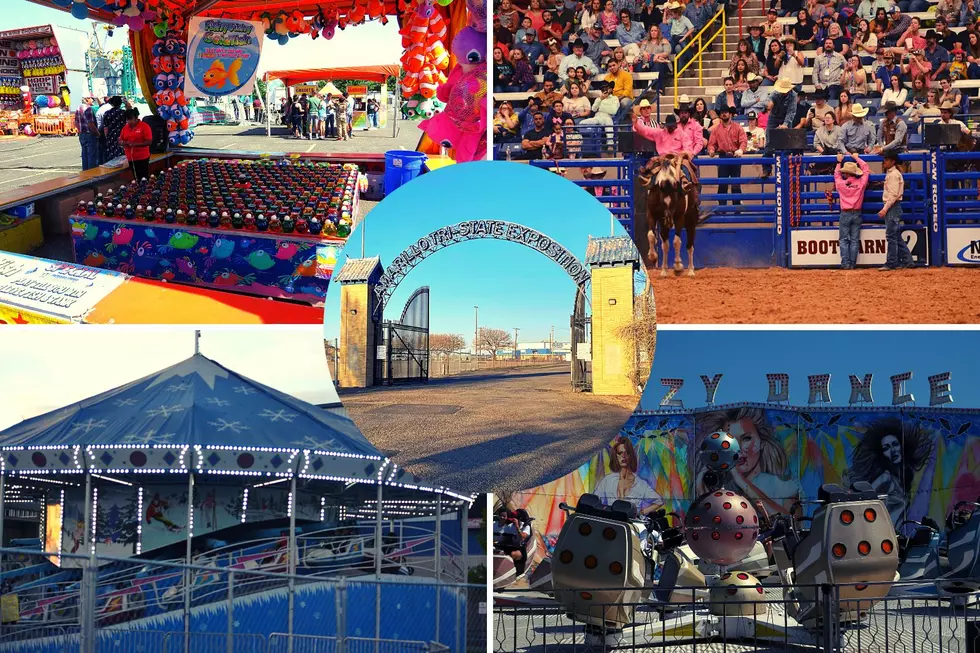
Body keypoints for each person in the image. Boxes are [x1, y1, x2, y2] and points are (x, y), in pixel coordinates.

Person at [696, 407, 800, 514]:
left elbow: (789, 522)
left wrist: (741, 480)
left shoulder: (782, 485)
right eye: (730, 442)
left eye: (746, 438)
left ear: (761, 442)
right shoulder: (721, 487)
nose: (738, 448)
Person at [846, 418, 933, 525]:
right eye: (886, 448)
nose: (892, 450)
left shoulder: (903, 479)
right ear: (882, 454)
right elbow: (864, 500)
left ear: (902, 446)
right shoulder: (885, 477)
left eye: (895, 444)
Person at [594, 436, 664, 514]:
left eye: (627, 452)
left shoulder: (641, 484)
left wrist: (640, 513)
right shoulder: (607, 480)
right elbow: (595, 501)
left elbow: (659, 501)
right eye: (620, 453)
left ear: (631, 455)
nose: (623, 456)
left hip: (629, 524)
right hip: (611, 523)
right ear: (616, 456)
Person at [834, 151, 871, 269]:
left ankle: (845, 264)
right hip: (857, 212)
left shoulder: (840, 184)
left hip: (845, 213)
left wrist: (839, 162)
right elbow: (866, 169)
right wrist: (857, 158)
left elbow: (836, 175)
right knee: (854, 240)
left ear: (845, 173)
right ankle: (853, 264)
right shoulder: (861, 183)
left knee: (844, 239)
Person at [879, 151, 915, 270]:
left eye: (887, 160)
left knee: (891, 236)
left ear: (892, 161)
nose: (885, 162)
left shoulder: (893, 175)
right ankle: (907, 260)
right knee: (895, 236)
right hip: (894, 207)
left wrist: (884, 209)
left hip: (892, 207)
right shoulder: (894, 173)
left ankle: (892, 262)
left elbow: (893, 195)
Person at [707, 105, 747, 205]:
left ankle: (736, 207)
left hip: (735, 156)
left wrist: (741, 150)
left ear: (730, 114)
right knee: (722, 184)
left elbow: (743, 141)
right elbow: (711, 144)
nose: (723, 114)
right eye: (722, 112)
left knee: (736, 184)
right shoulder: (716, 130)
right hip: (723, 156)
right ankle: (722, 207)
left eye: (725, 112)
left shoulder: (738, 127)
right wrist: (711, 150)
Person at [762, 77, 797, 177]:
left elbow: (791, 111)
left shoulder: (793, 96)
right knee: (768, 144)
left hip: (786, 118)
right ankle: (767, 169)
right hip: (774, 117)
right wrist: (768, 105)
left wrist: (785, 124)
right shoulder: (775, 93)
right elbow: (767, 102)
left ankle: (787, 170)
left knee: (787, 145)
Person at [76, 93, 100, 171]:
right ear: (87, 99)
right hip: (89, 134)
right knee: (92, 156)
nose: (92, 100)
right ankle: (91, 173)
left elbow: (76, 122)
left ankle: (85, 172)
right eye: (91, 99)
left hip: (82, 134)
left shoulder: (78, 108)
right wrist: (97, 133)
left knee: (84, 155)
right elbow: (90, 123)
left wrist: (80, 130)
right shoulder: (88, 109)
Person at [101, 96, 126, 162]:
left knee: (112, 155)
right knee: (122, 155)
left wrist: (107, 137)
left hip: (111, 136)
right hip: (122, 135)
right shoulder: (123, 113)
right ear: (120, 103)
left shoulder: (107, 113)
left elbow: (105, 127)